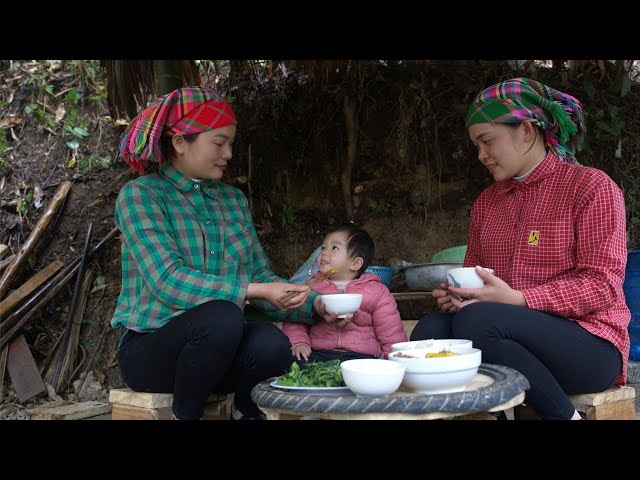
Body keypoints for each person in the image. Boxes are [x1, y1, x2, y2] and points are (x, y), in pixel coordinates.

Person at [410, 77, 631, 420]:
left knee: (478, 320)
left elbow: (602, 285)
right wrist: (459, 295)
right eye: (476, 145)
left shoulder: (590, 187)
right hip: (504, 337)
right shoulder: (486, 203)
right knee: (429, 333)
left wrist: (520, 299)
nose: (481, 155)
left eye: (487, 141)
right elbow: (477, 282)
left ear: (526, 131)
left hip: (590, 345)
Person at [110, 86, 317, 420]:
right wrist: (254, 291)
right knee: (222, 316)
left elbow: (260, 277)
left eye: (231, 144)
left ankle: (244, 413)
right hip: (154, 353)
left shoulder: (233, 201)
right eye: (219, 143)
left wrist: (314, 303)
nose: (229, 153)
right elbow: (167, 281)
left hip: (221, 353)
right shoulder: (141, 196)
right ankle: (185, 415)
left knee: (271, 344)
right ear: (180, 142)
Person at [283, 223, 407, 363]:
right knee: (297, 365)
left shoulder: (377, 292)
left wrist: (394, 361)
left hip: (362, 357)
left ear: (355, 263)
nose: (324, 252)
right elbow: (295, 319)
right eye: (323, 247)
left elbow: (390, 332)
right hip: (318, 355)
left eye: (334, 248)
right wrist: (299, 343)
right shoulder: (311, 287)